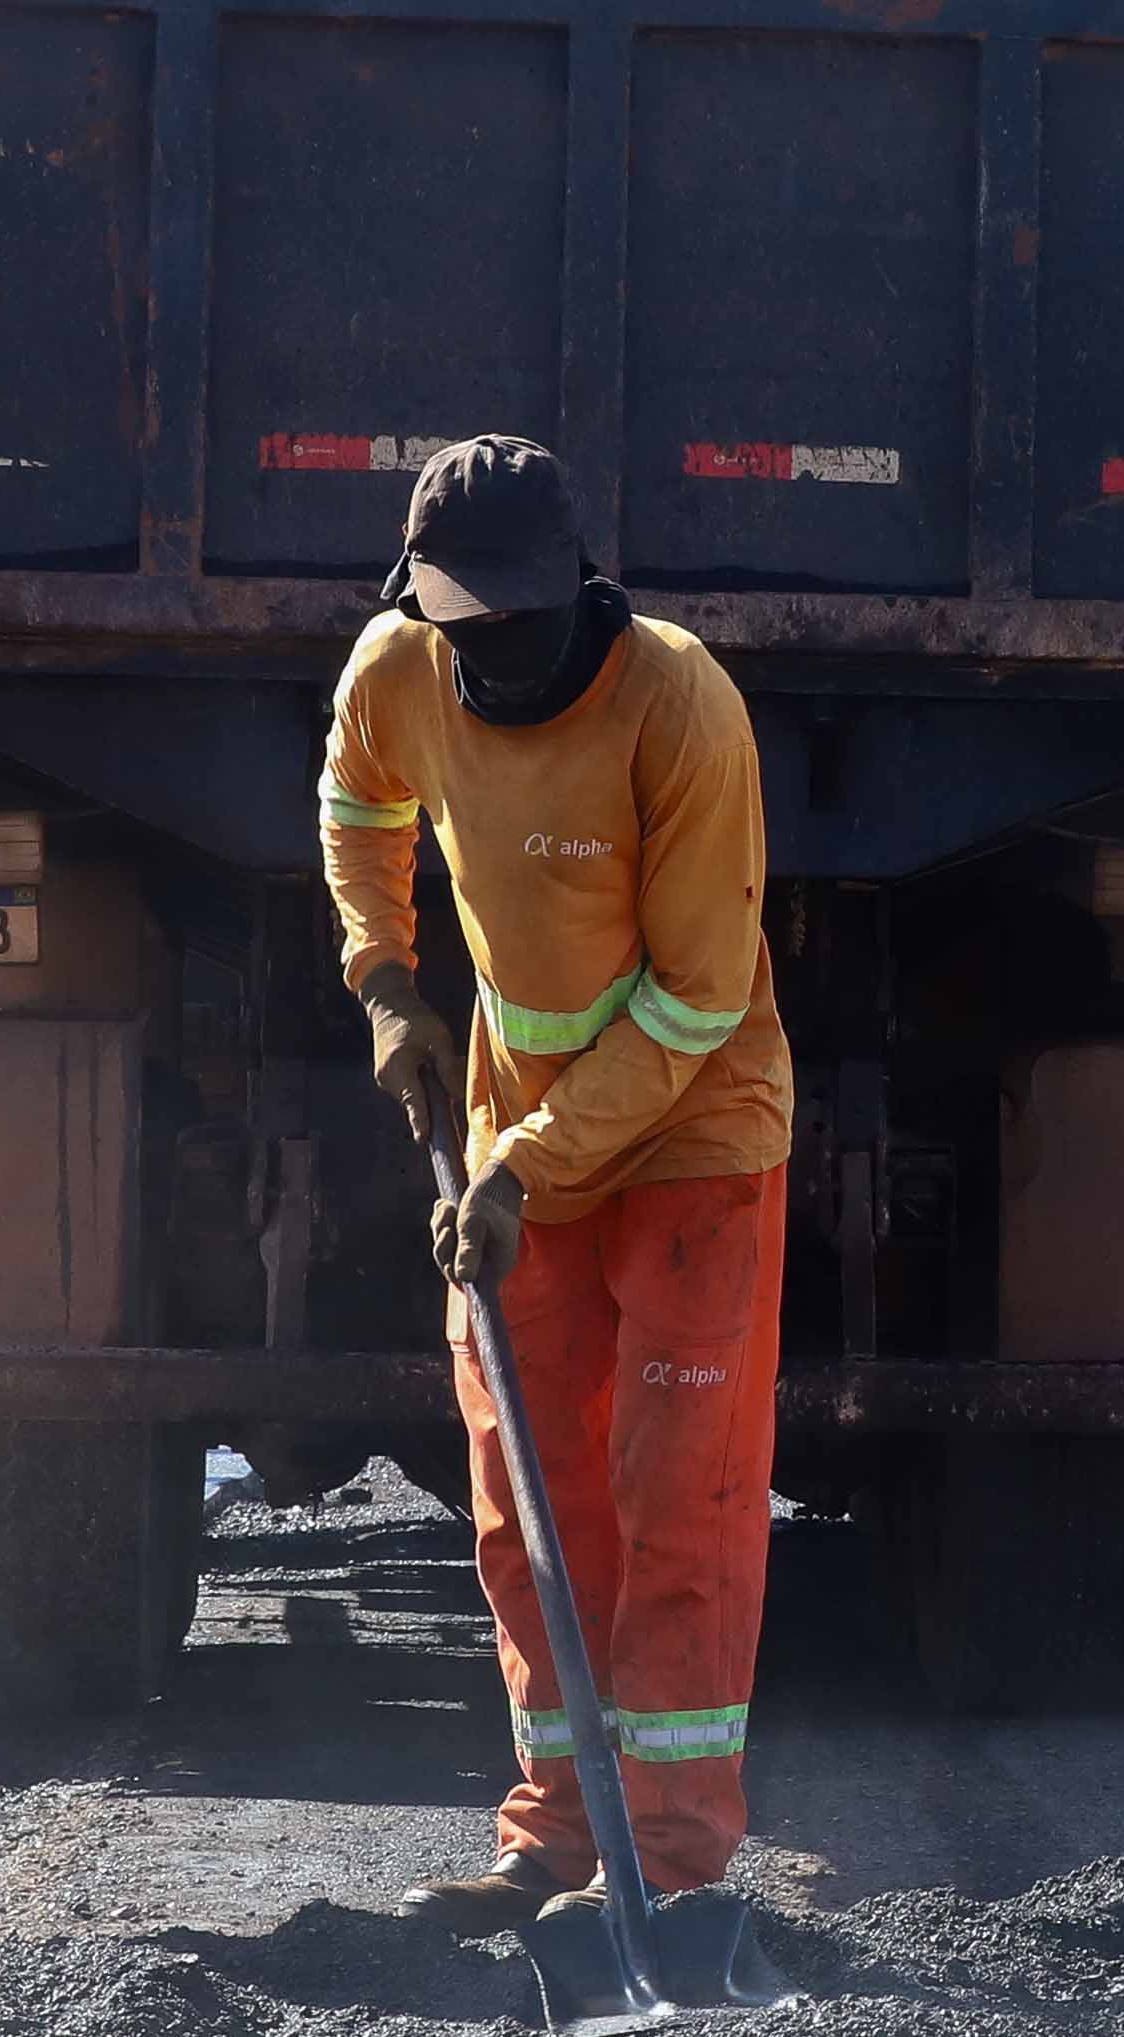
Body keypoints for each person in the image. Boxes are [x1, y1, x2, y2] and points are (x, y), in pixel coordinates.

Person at [316, 435, 794, 1938]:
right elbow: (354, 808)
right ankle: (554, 1836)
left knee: (678, 1495)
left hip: (696, 1136)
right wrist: (386, 976)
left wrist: (523, 1165)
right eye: (463, 624)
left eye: (515, 619)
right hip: (520, 1142)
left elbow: (699, 999)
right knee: (530, 1500)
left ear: (575, 586)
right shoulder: (396, 669)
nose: (490, 652)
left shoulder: (677, 703)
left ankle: (670, 1863)